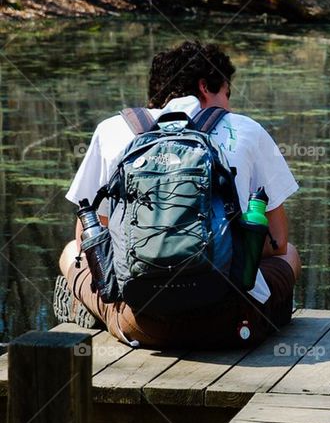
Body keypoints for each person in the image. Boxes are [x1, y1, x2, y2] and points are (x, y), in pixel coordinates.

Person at [55, 41, 301, 348]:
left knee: (69, 252)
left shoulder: (112, 129)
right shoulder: (246, 129)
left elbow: (86, 240)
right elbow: (276, 242)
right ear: (204, 87)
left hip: (139, 323)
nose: (231, 107)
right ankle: (265, 313)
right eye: (227, 94)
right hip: (232, 322)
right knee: (290, 253)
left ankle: (93, 307)